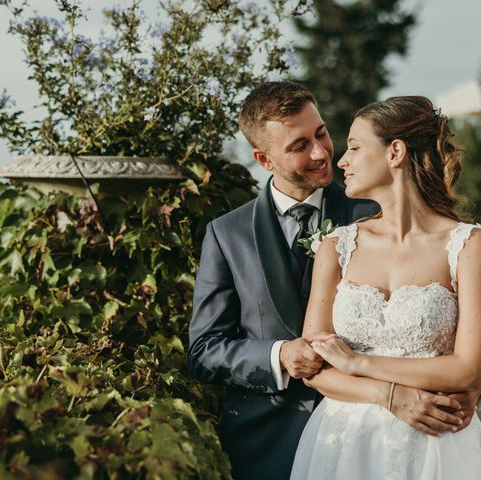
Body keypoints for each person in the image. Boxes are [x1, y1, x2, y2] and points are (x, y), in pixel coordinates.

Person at [187, 82, 478, 480]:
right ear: (264, 158)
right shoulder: (227, 234)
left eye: (322, 133)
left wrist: (466, 389)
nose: (324, 153)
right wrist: (280, 356)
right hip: (279, 439)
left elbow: (466, 356)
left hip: (429, 432)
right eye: (299, 145)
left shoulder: (377, 203)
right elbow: (204, 348)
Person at [290, 95, 481, 479]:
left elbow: (467, 371)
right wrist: (390, 396)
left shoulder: (468, 245)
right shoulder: (336, 247)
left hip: (439, 442)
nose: (341, 160)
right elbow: (314, 367)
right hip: (345, 442)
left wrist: (359, 363)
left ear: (395, 152)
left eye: (355, 147)